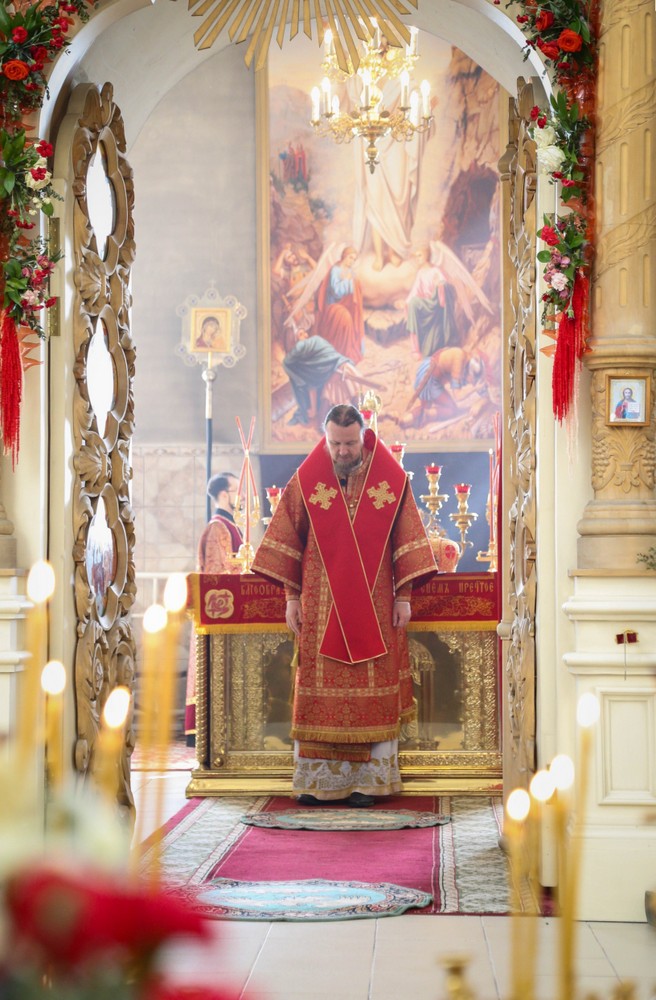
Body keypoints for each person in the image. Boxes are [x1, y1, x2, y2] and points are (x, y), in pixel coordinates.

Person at [251, 404, 437, 806]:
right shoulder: (308, 480)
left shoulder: (389, 481)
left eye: (349, 443)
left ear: (364, 437)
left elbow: (405, 539)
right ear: (326, 437)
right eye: (335, 443)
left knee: (370, 687)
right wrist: (291, 598)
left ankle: (367, 784)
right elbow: (289, 541)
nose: (342, 451)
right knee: (319, 691)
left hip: (374, 602)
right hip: (320, 605)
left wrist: (404, 596)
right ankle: (318, 782)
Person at [185, 473, 243, 745]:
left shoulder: (231, 526)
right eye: (237, 491)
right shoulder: (218, 528)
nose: (241, 497)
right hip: (220, 613)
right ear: (223, 494)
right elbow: (217, 574)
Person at [315, 246, 365, 363]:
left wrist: (354, 283)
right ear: (344, 256)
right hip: (332, 306)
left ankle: (345, 351)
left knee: (350, 316)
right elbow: (336, 292)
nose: (352, 261)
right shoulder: (335, 270)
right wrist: (348, 281)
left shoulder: (351, 272)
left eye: (354, 259)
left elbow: (355, 292)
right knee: (345, 317)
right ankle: (341, 351)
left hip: (345, 306)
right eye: (350, 257)